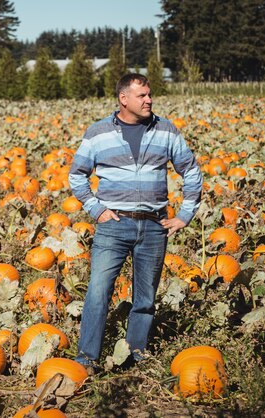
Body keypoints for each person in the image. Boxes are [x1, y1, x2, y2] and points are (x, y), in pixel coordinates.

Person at [68, 73, 203, 370]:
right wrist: (96, 209)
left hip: (155, 225)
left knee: (145, 296)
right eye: (142, 96)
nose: (149, 100)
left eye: (150, 95)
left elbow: (191, 171)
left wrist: (184, 215)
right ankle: (87, 358)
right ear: (123, 98)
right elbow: (76, 175)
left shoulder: (166, 130)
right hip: (113, 225)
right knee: (97, 292)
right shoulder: (98, 132)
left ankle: (136, 354)